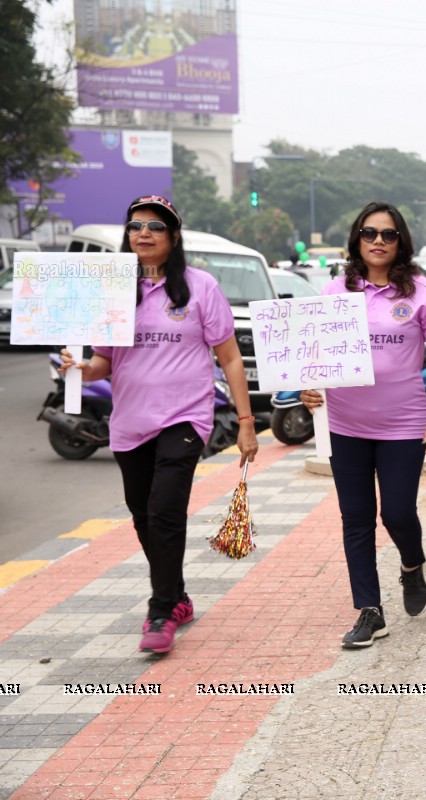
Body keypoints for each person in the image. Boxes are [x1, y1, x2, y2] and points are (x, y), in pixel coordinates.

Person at [60, 195, 258, 654]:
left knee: (165, 509)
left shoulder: (200, 287)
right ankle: (179, 596)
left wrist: (246, 422)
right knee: (144, 515)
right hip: (129, 423)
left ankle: (161, 609)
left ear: (173, 236)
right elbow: (102, 365)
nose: (143, 233)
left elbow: (228, 358)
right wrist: (77, 368)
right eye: (135, 226)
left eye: (155, 226)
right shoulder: (114, 292)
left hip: (185, 416)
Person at [300, 202, 426, 648]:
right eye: (370, 234)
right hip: (345, 424)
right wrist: (311, 387)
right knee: (357, 519)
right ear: (357, 240)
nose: (379, 241)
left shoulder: (420, 291)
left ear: (400, 241)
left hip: (403, 424)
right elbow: (314, 355)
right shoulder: (334, 293)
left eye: (388, 234)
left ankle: (412, 563)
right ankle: (370, 610)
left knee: (398, 514)